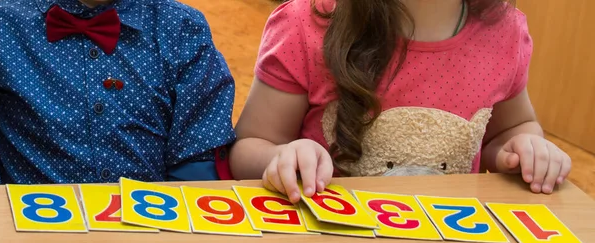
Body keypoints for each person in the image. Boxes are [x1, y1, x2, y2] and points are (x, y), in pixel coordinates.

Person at [229, 0, 572, 203]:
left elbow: (509, 131)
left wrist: (524, 147)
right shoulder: (306, 24)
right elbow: (246, 150)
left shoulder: (504, 33)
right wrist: (280, 158)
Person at [0, 0, 235, 184]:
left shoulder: (181, 29)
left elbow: (198, 160)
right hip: (28, 229)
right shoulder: (2, 23)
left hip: (153, 227)